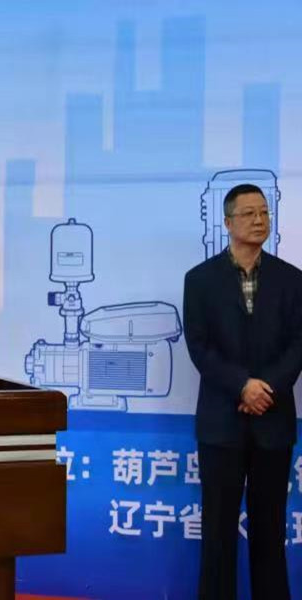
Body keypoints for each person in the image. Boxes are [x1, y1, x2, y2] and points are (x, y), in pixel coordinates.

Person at [183, 183, 302, 600]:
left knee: (270, 531)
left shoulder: (292, 279)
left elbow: (298, 344)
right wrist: (241, 386)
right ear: (228, 222)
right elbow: (199, 347)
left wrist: (265, 388)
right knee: (217, 532)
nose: (258, 220)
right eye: (249, 213)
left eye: (264, 213)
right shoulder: (200, 280)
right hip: (221, 424)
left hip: (273, 420)